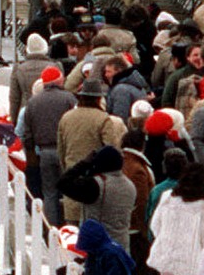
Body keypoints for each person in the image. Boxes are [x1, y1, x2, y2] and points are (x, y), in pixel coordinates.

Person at [147, 163, 204, 275]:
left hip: (166, 256)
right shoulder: (201, 205)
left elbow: (155, 225)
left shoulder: (167, 197)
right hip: (191, 259)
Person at [60, 78, 128, 225]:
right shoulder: (103, 119)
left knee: (72, 229)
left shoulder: (66, 118)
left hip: (72, 177)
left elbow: (61, 150)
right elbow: (112, 151)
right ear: (98, 98)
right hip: (95, 185)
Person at [21, 65, 77, 225]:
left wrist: (32, 154)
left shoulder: (32, 103)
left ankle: (50, 229)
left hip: (44, 153)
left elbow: (27, 133)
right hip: (65, 152)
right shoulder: (69, 99)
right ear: (58, 80)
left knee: (49, 193)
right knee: (68, 191)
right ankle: (69, 227)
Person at [62, 145, 138, 252]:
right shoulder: (130, 186)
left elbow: (62, 184)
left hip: (98, 249)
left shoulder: (96, 185)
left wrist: (84, 164)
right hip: (122, 248)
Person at [122, 129, 158, 275]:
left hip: (123, 227)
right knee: (141, 274)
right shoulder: (137, 168)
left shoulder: (122, 162)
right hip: (136, 229)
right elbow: (142, 202)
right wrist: (146, 230)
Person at [12, 33, 57, 125]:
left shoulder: (19, 69)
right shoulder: (55, 67)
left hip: (26, 112)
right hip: (51, 112)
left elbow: (14, 98)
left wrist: (14, 121)